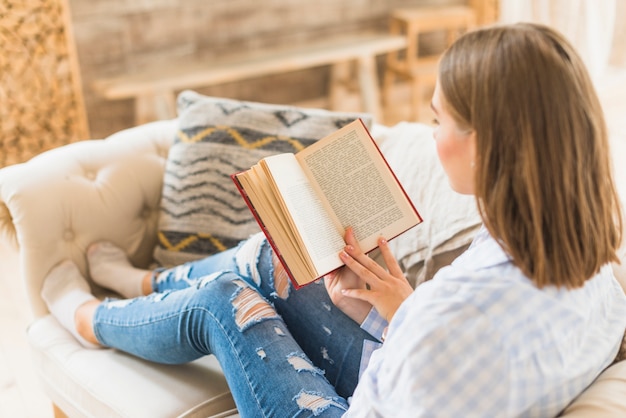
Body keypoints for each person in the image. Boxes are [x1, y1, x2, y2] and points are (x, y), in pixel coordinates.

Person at [41, 22, 626, 417]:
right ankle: (149, 284)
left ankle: (92, 318)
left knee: (226, 299)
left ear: (485, 145)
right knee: (281, 258)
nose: (430, 133)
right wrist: (396, 305)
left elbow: (437, 354)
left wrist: (412, 320)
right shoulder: (593, 271)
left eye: (438, 120)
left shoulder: (458, 314)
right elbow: (454, 359)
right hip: (411, 372)